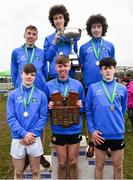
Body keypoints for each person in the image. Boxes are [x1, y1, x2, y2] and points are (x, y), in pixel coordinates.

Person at [10, 25, 50, 168]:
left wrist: (41, 86)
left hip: (38, 93)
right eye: (29, 33)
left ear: (37, 37)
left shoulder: (41, 53)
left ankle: (39, 154)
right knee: (22, 122)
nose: (31, 36)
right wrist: (17, 90)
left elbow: (45, 72)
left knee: (40, 124)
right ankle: (24, 154)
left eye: (34, 34)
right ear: (24, 35)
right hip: (22, 93)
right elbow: (14, 72)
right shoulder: (16, 52)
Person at [79, 14, 115, 157]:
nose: (96, 30)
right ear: (90, 29)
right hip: (90, 86)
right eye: (93, 27)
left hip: (106, 86)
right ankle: (92, 144)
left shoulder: (109, 46)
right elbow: (82, 65)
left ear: (103, 28)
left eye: (99, 27)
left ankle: (105, 144)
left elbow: (111, 65)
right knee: (90, 115)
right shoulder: (83, 47)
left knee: (105, 113)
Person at [86, 57, 128, 179]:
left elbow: (123, 109)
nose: (108, 71)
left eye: (110, 68)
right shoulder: (93, 88)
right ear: (101, 71)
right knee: (99, 165)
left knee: (118, 166)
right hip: (100, 135)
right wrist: (92, 130)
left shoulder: (122, 89)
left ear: (115, 69)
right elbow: (88, 111)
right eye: (105, 68)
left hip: (117, 133)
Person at [46, 55, 85, 179]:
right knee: (62, 164)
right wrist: (48, 106)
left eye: (65, 66)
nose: (62, 69)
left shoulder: (78, 84)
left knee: (73, 162)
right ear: (55, 68)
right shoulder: (48, 86)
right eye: (59, 66)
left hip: (74, 128)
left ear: (69, 66)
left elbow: (84, 108)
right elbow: (44, 109)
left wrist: (81, 105)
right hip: (58, 129)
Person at [6, 64, 48, 179]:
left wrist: (31, 135)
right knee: (19, 172)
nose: (29, 77)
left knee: (35, 171)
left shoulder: (41, 95)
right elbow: (11, 117)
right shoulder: (13, 95)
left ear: (35, 77)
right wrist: (24, 134)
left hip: (34, 137)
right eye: (26, 74)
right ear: (21, 74)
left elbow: (43, 117)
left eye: (32, 74)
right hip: (17, 137)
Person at [43, 4, 78, 79]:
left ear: (64, 19)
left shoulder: (72, 36)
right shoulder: (48, 39)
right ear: (53, 21)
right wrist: (54, 43)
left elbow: (74, 54)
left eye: (60, 18)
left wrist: (67, 39)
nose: (58, 21)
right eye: (55, 18)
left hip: (69, 75)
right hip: (54, 76)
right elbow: (47, 58)